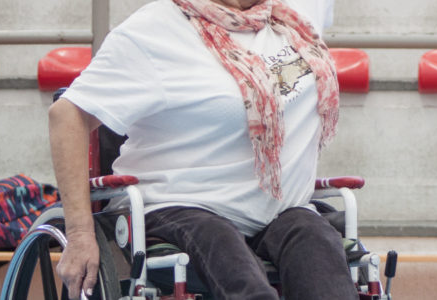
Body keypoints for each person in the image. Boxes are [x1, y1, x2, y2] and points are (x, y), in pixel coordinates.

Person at [47, 0, 348, 299]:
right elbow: (67, 116)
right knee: (235, 269)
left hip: (281, 212)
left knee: (317, 245)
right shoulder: (151, 32)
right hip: (180, 205)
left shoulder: (296, 11)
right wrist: (80, 233)